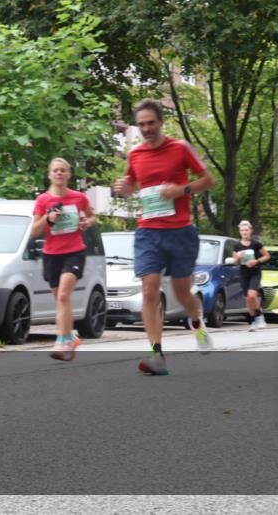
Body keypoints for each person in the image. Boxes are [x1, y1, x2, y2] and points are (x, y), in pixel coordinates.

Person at [112, 99, 216, 375]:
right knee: (149, 288)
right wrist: (124, 187)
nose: (146, 129)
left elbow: (208, 180)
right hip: (149, 230)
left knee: (182, 292)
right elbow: (133, 183)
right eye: (141, 124)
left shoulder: (179, 148)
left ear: (161, 122)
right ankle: (157, 354)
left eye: (151, 123)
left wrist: (181, 190)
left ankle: (197, 321)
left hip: (181, 231)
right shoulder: (135, 155)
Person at [31, 158, 96, 361]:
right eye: (55, 170)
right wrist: (48, 219)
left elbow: (92, 217)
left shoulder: (79, 197)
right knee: (59, 299)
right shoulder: (43, 200)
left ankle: (62, 340)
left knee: (63, 296)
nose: (59, 173)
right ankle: (70, 337)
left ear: (68, 174)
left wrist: (87, 222)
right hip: (51, 254)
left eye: (63, 170)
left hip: (74, 251)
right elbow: (34, 231)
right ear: (50, 175)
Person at [232, 220, 270, 331]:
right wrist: (238, 256)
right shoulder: (237, 246)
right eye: (242, 230)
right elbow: (235, 262)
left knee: (252, 295)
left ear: (250, 231)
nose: (244, 232)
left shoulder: (256, 244)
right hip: (243, 273)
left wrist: (257, 261)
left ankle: (259, 316)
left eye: (246, 230)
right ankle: (254, 321)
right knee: (248, 299)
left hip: (255, 272)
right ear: (239, 232)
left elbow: (267, 256)